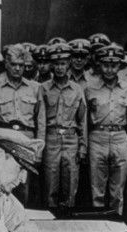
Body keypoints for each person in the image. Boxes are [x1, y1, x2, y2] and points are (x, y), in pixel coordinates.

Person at [0, 44, 46, 205]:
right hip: (3, 140)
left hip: (26, 140)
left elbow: (40, 121)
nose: (17, 69)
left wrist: (39, 149)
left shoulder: (35, 88)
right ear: (6, 64)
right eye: (13, 65)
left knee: (23, 185)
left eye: (21, 65)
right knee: (1, 183)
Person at [85, 43, 127, 214]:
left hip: (120, 136)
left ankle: (117, 223)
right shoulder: (90, 87)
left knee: (118, 189)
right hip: (97, 136)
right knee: (97, 188)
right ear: (100, 65)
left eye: (113, 65)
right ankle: (98, 224)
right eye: (106, 65)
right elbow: (84, 119)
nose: (109, 70)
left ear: (119, 66)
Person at [41, 42, 88, 209]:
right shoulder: (44, 88)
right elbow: (40, 118)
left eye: (63, 63)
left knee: (70, 185)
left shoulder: (77, 89)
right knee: (50, 184)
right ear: (52, 65)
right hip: (51, 138)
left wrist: (83, 146)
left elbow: (82, 120)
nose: (59, 68)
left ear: (68, 64)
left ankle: (67, 218)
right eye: (56, 64)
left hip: (70, 139)